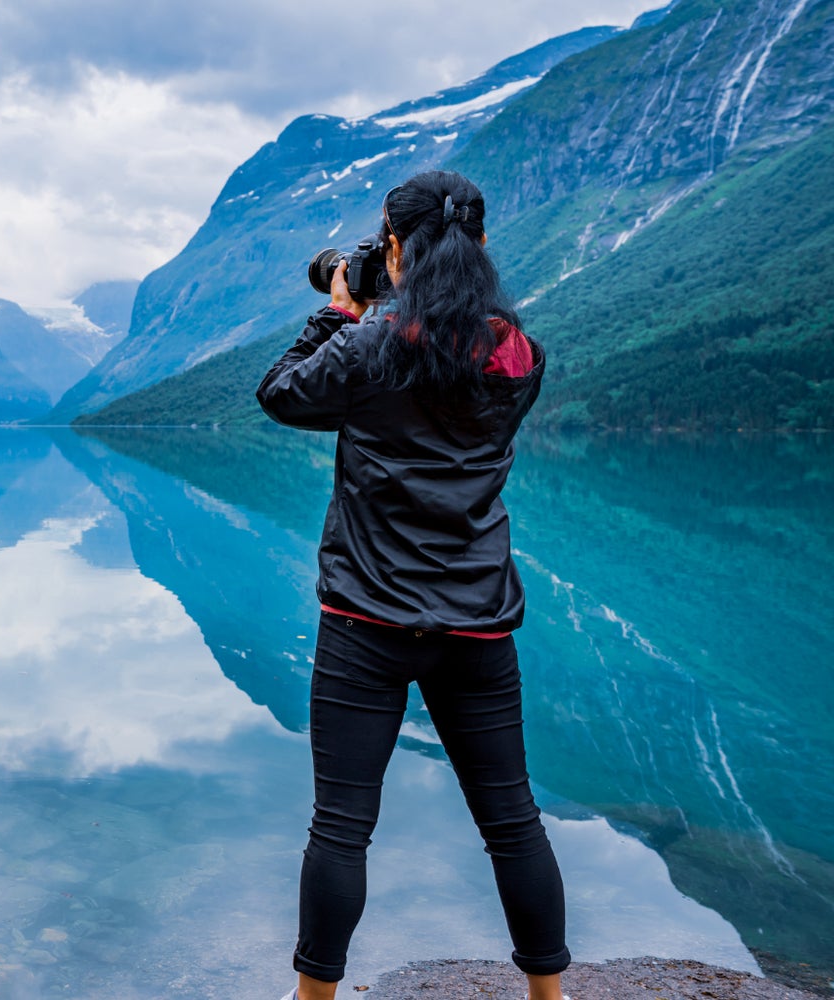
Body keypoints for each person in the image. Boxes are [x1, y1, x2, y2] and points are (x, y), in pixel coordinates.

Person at [255, 170, 569, 1000]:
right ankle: (550, 996)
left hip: (367, 621)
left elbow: (282, 395)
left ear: (394, 249)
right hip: (479, 622)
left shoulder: (372, 346)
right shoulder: (520, 354)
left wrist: (336, 308)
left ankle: (313, 999)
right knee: (513, 822)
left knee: (341, 827)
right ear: (484, 249)